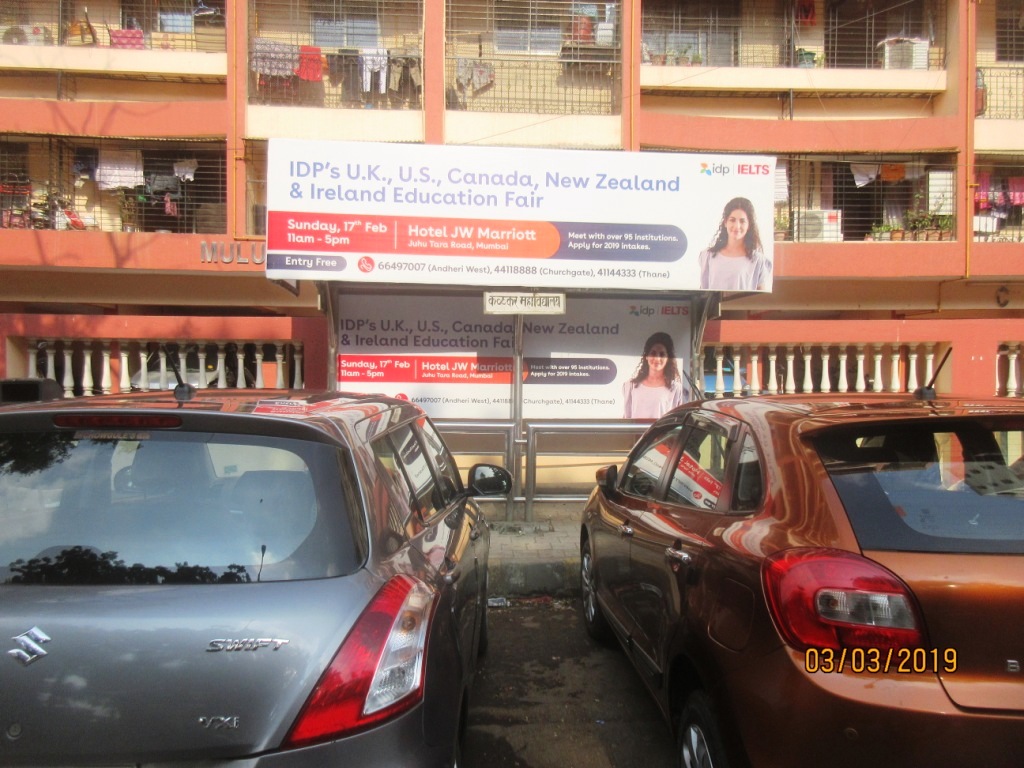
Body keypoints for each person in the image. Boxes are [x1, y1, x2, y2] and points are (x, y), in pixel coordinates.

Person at [698, 196, 772, 291]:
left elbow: (760, 299)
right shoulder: (708, 256)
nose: (737, 226)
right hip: (715, 306)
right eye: (732, 220)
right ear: (725, 222)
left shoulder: (758, 260)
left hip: (743, 306)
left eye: (742, 221)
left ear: (749, 225)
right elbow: (703, 295)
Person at [622, 332, 687, 418]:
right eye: (653, 353)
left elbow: (678, 421)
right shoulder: (630, 386)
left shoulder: (676, 389)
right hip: (637, 432)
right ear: (646, 356)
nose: (657, 358)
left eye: (662, 354)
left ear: (668, 358)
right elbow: (627, 419)